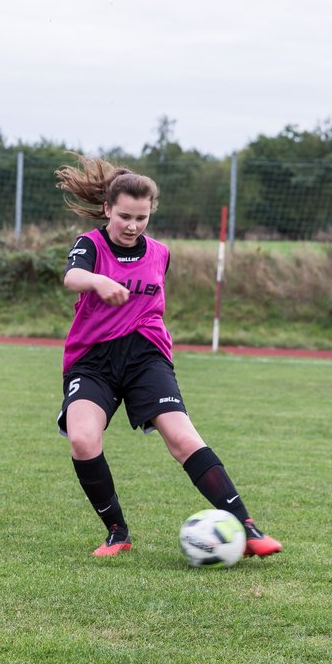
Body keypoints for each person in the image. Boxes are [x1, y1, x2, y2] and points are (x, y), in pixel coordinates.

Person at [54, 155, 281, 558]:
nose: (132, 226)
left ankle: (247, 527)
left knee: (181, 437)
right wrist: (99, 281)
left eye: (142, 218)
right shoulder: (89, 244)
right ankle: (117, 532)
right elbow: (72, 278)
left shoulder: (161, 252)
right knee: (83, 440)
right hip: (93, 358)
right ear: (107, 209)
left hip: (146, 355)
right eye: (124, 216)